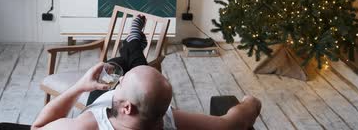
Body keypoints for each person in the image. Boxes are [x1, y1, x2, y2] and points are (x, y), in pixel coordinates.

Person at [31, 15, 262, 130]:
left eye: (119, 85)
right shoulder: (172, 119)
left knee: (117, 64)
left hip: (102, 101)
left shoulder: (88, 123)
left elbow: (37, 127)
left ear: (126, 107)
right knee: (132, 64)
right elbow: (233, 122)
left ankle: (132, 42)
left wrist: (81, 85)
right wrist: (251, 101)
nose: (118, 82)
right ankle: (134, 42)